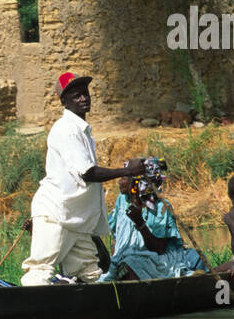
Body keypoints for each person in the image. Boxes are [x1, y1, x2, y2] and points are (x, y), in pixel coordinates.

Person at [21, 72, 142, 286]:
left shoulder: (83, 131)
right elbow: (87, 173)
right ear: (64, 102)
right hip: (57, 214)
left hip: (76, 218)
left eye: (85, 93)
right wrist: (126, 171)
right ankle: (30, 312)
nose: (83, 99)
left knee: (89, 272)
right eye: (76, 96)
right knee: (40, 272)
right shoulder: (66, 129)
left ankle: (96, 311)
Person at [99, 158, 208, 281]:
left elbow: (159, 249)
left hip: (159, 258)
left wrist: (140, 223)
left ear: (137, 183)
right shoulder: (123, 200)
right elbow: (117, 237)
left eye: (123, 178)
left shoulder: (161, 207)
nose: (119, 182)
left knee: (131, 265)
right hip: (129, 256)